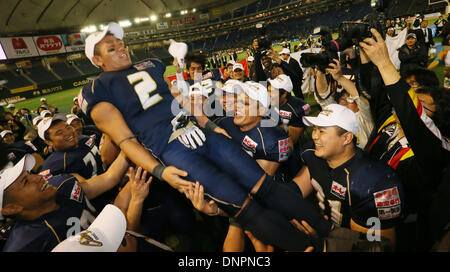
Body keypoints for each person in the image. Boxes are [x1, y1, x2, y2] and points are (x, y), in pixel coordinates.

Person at [79, 22, 334, 251]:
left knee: (265, 187)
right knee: (244, 209)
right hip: (173, 149)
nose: (121, 49)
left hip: (198, 132)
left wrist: (208, 126)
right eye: (111, 49)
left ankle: (328, 235)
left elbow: (177, 101)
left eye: (121, 44)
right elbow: (126, 141)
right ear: (96, 59)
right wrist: (160, 172)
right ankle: (306, 247)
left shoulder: (151, 65)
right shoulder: (97, 89)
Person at [359, 28, 450, 250]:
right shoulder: (391, 121)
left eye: (422, 106)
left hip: (407, 224)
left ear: (438, 117)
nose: (401, 109)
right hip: (366, 205)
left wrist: (385, 63)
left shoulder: (438, 148)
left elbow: (411, 113)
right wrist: (365, 61)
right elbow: (377, 93)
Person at [291, 104, 406, 245]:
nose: (314, 136)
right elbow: (293, 191)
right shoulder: (314, 154)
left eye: (322, 131)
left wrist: (323, 239)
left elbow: (377, 247)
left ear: (346, 138)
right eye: (314, 129)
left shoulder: (375, 183)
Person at [0, 146, 131, 252]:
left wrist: (129, 145)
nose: (38, 177)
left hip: (117, 235)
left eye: (30, 174)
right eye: (26, 182)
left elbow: (109, 178)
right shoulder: (26, 245)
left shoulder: (62, 184)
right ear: (12, 208)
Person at [36, 114, 104, 180]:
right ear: (48, 142)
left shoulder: (84, 139)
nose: (68, 133)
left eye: (68, 127)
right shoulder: (55, 165)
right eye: (59, 132)